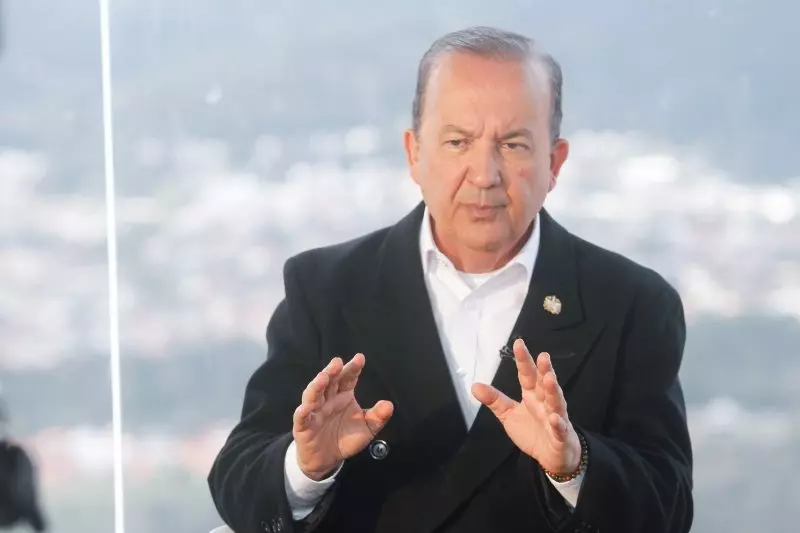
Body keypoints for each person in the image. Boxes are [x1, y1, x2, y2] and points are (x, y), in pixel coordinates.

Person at [208, 26, 693, 533]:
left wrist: (574, 465)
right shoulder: (326, 289)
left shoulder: (631, 305)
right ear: (414, 153)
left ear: (554, 163)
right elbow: (237, 477)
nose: (484, 174)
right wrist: (306, 466)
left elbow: (671, 506)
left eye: (512, 144)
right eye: (458, 142)